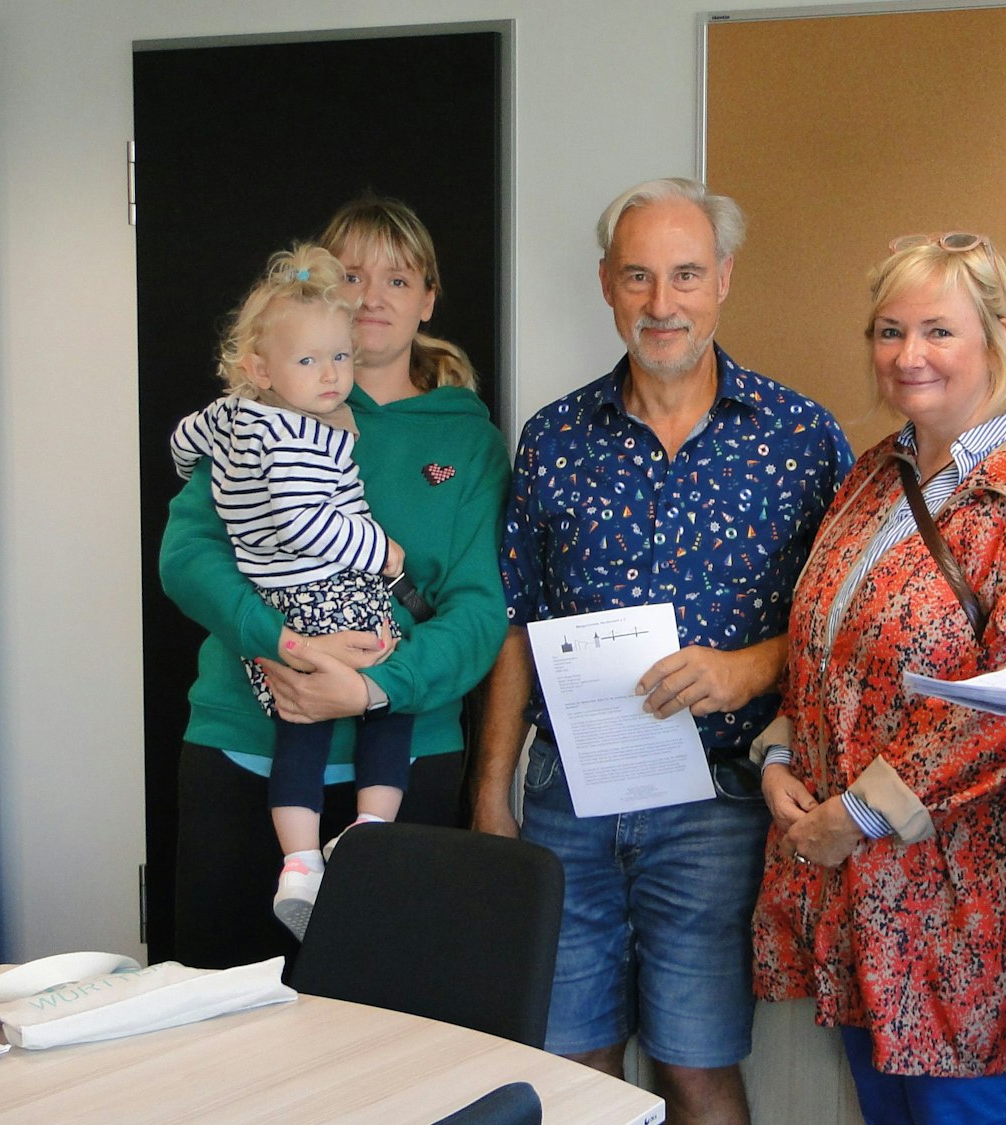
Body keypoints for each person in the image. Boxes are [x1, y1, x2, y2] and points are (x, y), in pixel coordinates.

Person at [471, 177, 851, 1124]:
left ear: (723, 278)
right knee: (569, 1062)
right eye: (638, 276)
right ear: (607, 283)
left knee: (696, 1063)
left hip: (717, 799)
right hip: (569, 796)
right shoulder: (553, 437)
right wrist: (489, 789)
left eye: (685, 274)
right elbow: (517, 619)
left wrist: (746, 669)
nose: (662, 303)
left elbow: (840, 626)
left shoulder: (802, 438)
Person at [749, 231, 1006, 1125]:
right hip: (852, 889)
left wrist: (864, 811)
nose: (908, 355)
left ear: (996, 336)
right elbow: (820, 651)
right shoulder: (876, 475)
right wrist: (777, 758)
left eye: (938, 331)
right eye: (888, 330)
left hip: (968, 906)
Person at [162, 195, 509, 969]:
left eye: (398, 277)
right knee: (226, 1024)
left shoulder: (469, 440)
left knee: (388, 1029)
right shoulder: (256, 413)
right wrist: (279, 641)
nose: (372, 295)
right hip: (243, 747)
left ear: (427, 298)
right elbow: (186, 557)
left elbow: (480, 610)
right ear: (319, 296)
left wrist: (374, 689)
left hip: (406, 760)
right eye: (351, 274)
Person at [168, 243, 420, 940]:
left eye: (337, 358)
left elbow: (184, 438)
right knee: (389, 702)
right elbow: (303, 520)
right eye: (311, 362)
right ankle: (365, 832)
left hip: (279, 601)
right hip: (328, 598)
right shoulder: (299, 433)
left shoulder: (233, 415)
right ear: (261, 367)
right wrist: (385, 551)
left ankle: (302, 862)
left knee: (300, 727)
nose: (331, 374)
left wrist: (197, 457)